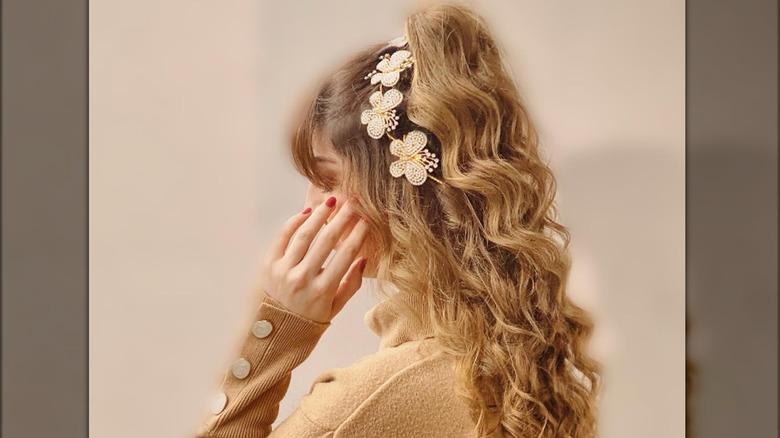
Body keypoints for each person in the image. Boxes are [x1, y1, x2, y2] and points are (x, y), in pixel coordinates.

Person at [195, 3, 600, 437]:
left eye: (326, 177)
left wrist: (277, 325)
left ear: (404, 192)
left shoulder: (369, 399)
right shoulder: (517, 354)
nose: (311, 205)